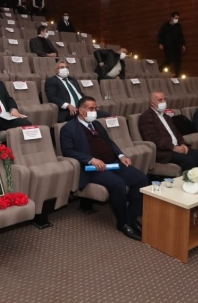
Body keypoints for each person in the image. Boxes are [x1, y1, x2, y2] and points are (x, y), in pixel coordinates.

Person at [60, 96, 148, 241]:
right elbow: (68, 151)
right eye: (91, 109)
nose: (95, 111)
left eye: (95, 108)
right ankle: (123, 223)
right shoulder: (68, 128)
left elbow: (109, 142)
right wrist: (91, 159)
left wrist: (121, 155)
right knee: (118, 184)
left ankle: (131, 218)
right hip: (91, 168)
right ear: (81, 111)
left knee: (141, 179)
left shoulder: (97, 124)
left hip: (112, 163)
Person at [138, 91, 198, 170]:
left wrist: (182, 144)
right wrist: (173, 147)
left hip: (177, 147)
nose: (164, 102)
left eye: (164, 99)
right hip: (163, 152)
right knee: (190, 161)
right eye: (160, 100)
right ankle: (188, 178)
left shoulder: (166, 116)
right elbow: (153, 139)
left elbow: (176, 133)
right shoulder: (146, 117)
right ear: (152, 103)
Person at [158, 12, 186, 77]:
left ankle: (177, 74)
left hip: (177, 46)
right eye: (176, 18)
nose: (177, 20)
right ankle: (160, 68)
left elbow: (181, 35)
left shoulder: (178, 26)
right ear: (171, 18)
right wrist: (160, 43)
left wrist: (183, 44)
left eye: (178, 18)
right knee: (170, 58)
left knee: (178, 60)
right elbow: (160, 35)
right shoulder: (165, 26)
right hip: (168, 46)